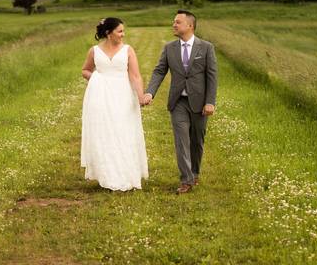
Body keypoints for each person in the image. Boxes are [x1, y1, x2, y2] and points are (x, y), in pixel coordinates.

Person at [142, 10, 217, 194]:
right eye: (174, 22)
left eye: (177, 22)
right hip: (178, 103)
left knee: (197, 140)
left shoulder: (206, 47)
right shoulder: (169, 48)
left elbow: (212, 76)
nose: (173, 25)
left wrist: (210, 102)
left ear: (189, 26)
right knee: (181, 140)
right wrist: (150, 92)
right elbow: (160, 71)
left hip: (200, 103)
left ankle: (195, 173)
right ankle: (186, 180)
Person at [80, 17, 149, 191]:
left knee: (123, 131)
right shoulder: (94, 51)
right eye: (119, 31)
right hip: (100, 96)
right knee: (104, 132)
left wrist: (140, 96)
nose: (123, 34)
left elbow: (135, 75)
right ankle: (107, 174)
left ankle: (126, 173)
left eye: (123, 31)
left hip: (123, 95)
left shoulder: (127, 50)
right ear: (108, 33)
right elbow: (85, 70)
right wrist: (97, 78)